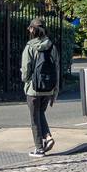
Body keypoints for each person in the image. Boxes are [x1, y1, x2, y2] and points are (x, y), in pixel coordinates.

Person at [20, 18, 58, 158]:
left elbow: (25, 70)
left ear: (32, 30)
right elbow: (57, 69)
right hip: (48, 88)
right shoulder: (52, 46)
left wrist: (26, 81)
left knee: (34, 118)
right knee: (40, 113)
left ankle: (39, 148)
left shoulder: (29, 47)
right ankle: (48, 137)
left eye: (30, 28)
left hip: (33, 89)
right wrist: (55, 90)